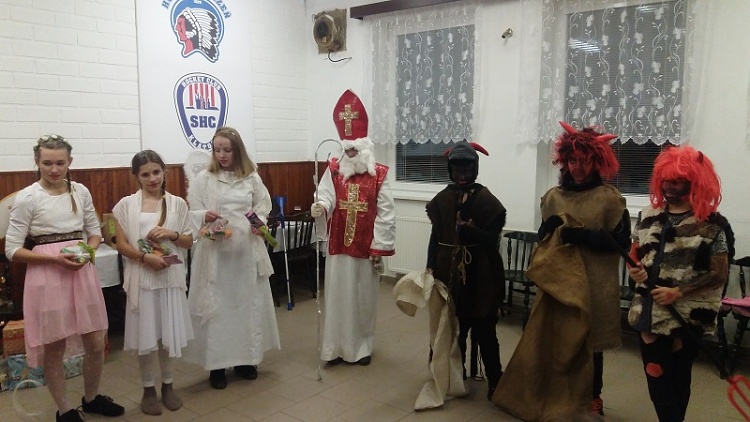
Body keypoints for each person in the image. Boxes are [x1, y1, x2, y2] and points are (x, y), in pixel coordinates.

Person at [493, 122, 629, 420]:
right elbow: (544, 239)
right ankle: (553, 394)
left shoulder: (610, 199)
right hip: (559, 283)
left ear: (597, 162)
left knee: (589, 343)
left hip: (594, 284)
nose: (578, 167)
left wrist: (583, 236)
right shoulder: (554, 197)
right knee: (554, 339)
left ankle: (592, 396)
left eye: (585, 161)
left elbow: (622, 244)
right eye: (573, 160)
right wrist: (548, 227)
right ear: (564, 160)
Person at [4, 135, 125, 422]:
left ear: (70, 161)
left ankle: (92, 398)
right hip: (47, 277)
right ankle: (65, 409)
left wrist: (88, 252)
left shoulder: (80, 191)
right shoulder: (28, 198)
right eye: (47, 163)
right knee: (54, 346)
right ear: (37, 162)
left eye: (60, 163)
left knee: (95, 341)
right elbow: (12, 249)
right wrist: (55, 260)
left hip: (81, 273)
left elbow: (94, 232)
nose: (54, 169)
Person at [628, 146, 730, 422]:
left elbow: (719, 273)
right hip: (649, 310)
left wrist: (678, 291)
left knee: (679, 376)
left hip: (688, 314)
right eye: (667, 180)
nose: (671, 187)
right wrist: (635, 270)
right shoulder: (648, 215)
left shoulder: (712, 224)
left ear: (695, 182)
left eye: (679, 181)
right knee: (655, 372)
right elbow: (635, 253)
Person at [184, 126, 280, 389]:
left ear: (238, 151)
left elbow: (263, 205)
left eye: (227, 150)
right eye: (217, 150)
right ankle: (217, 365)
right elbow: (193, 210)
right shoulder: (204, 178)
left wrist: (259, 222)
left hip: (245, 254)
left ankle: (246, 360)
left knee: (245, 306)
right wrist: (204, 216)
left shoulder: (251, 177)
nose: (222, 155)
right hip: (217, 254)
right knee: (218, 310)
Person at [311, 89, 396, 366]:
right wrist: (320, 206)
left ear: (365, 148)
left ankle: (360, 348)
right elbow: (325, 194)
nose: (349, 154)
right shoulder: (335, 171)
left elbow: (386, 212)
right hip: (339, 245)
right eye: (346, 149)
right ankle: (335, 348)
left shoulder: (379, 174)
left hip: (364, 247)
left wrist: (379, 246)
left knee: (361, 299)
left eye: (354, 150)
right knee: (337, 297)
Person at [112, 150, 194, 415]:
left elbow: (188, 241)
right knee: (146, 336)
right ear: (136, 176)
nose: (152, 179)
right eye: (145, 174)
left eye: (156, 172)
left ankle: (168, 385)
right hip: (142, 279)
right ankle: (148, 388)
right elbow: (121, 244)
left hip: (169, 279)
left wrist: (172, 234)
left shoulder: (177, 204)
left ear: (164, 171)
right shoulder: (125, 205)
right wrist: (144, 257)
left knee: (167, 335)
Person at [425, 141, 506, 401]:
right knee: (452, 329)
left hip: (481, 277)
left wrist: (472, 231)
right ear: (450, 170)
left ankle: (495, 381)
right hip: (448, 275)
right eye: (457, 169)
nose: (461, 175)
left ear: (475, 169)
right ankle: (452, 376)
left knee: (484, 331)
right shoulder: (442, 199)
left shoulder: (486, 200)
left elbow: (492, 240)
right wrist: (430, 266)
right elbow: (436, 236)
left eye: (467, 169)